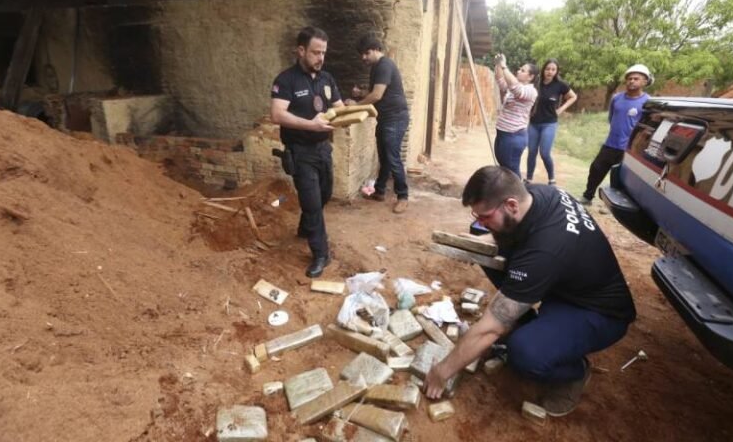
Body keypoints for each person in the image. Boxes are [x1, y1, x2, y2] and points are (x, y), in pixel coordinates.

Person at [425, 165, 636, 417]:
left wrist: (441, 372)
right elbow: (511, 235)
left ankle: (575, 373)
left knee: (525, 353)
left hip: (597, 312)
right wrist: (481, 241)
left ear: (511, 205)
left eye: (485, 216)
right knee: (485, 244)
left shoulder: (544, 252)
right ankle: (526, 322)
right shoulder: (536, 194)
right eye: (476, 215)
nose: (480, 221)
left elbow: (490, 329)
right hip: (565, 284)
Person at [270, 26, 344, 278]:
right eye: (315, 52)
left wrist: (351, 113)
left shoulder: (327, 79)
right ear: (301, 51)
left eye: (323, 52)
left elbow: (339, 107)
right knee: (312, 204)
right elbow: (277, 114)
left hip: (323, 149)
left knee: (324, 194)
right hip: (300, 152)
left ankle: (305, 227)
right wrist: (310, 125)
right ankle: (321, 253)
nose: (320, 58)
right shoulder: (286, 80)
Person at [347, 34, 410, 214]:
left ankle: (403, 196)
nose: (363, 57)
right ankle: (380, 190)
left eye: (367, 53)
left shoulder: (384, 65)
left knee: (393, 157)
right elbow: (375, 91)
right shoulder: (377, 67)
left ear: (376, 49)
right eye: (362, 54)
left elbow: (376, 95)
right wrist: (360, 93)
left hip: (395, 118)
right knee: (384, 156)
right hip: (385, 117)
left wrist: (355, 105)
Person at [579, 64, 653, 205]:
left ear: (645, 81)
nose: (631, 81)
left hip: (629, 149)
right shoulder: (616, 98)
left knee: (621, 179)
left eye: (636, 78)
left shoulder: (647, 102)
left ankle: (616, 205)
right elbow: (611, 118)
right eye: (629, 78)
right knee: (596, 169)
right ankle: (587, 197)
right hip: (610, 144)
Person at [526, 59, 578, 185]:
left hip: (549, 123)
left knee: (544, 153)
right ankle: (528, 179)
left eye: (553, 69)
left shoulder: (560, 84)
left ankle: (551, 179)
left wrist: (561, 109)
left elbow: (573, 97)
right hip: (534, 123)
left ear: (556, 71)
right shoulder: (536, 83)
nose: (550, 72)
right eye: (547, 69)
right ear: (543, 70)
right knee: (532, 152)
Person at [493, 53, 538, 178]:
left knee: (511, 171)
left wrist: (504, 66)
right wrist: (498, 65)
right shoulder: (513, 88)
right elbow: (500, 81)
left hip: (513, 136)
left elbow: (516, 89)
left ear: (531, 77)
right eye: (519, 69)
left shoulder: (530, 91)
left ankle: (519, 189)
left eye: (523, 70)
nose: (518, 71)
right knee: (504, 168)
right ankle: (508, 189)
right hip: (502, 134)